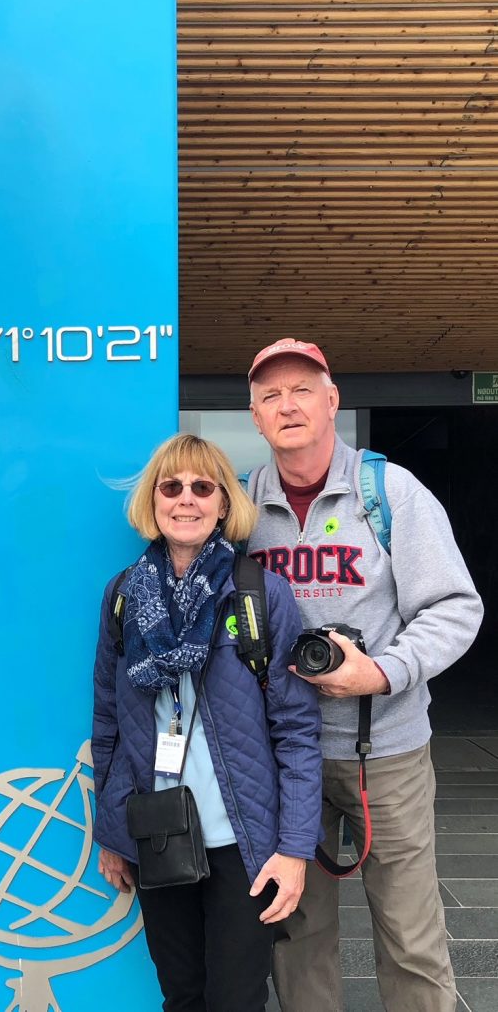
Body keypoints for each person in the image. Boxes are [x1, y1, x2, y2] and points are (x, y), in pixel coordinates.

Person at [242, 338, 484, 1012]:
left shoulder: (390, 492)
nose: (287, 405)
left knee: (410, 932)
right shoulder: (239, 510)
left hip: (389, 752)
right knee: (296, 932)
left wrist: (381, 672)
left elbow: (456, 606)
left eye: (301, 389)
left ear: (331, 401)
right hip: (283, 759)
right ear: (256, 415)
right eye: (270, 395)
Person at [91, 433, 322, 1012]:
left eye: (202, 486)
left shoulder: (258, 594)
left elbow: (297, 731)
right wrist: (114, 832)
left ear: (224, 503)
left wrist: (294, 850)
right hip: (157, 834)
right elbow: (109, 722)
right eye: (172, 487)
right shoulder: (123, 596)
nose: (186, 499)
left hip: (245, 844)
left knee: (236, 1000)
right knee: (182, 997)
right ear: (154, 501)